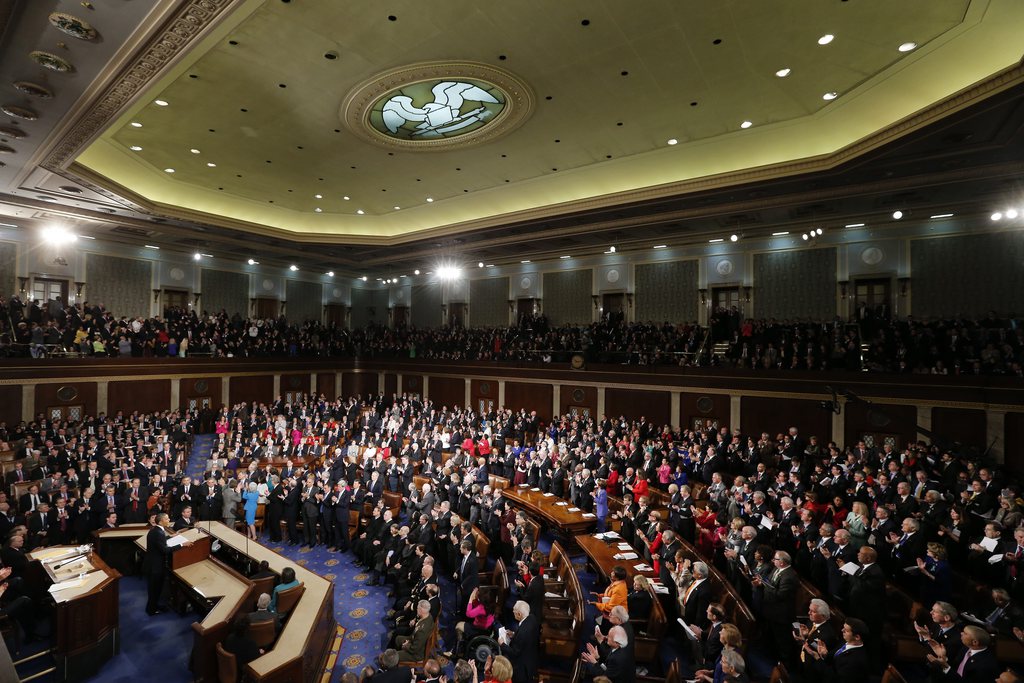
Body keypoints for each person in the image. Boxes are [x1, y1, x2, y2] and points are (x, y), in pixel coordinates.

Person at [143, 512, 192, 615]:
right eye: (167, 519)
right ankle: (151, 610)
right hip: (155, 567)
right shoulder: (158, 533)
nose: (169, 520)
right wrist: (182, 544)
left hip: (152, 564)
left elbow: (160, 542)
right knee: (154, 590)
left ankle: (154, 606)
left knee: (155, 589)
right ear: (161, 521)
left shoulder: (156, 530)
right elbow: (165, 550)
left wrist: (171, 537)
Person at [806, 618, 870, 683]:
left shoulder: (856, 661)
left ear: (857, 637)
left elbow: (834, 678)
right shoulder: (845, 641)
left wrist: (817, 658)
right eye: (843, 628)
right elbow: (834, 660)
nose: (842, 630)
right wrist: (825, 654)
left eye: (846, 630)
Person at [501, 600, 539, 683]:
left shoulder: (523, 632)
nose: (513, 613)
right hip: (531, 657)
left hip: (522, 667)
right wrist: (514, 634)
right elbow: (527, 638)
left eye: (514, 612)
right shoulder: (532, 618)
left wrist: (502, 644)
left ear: (519, 614)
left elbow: (515, 653)